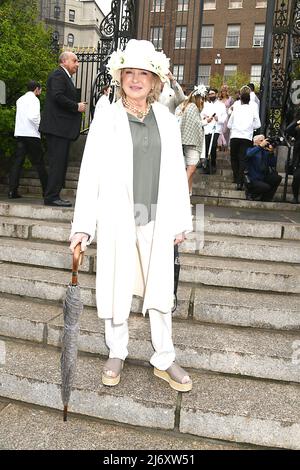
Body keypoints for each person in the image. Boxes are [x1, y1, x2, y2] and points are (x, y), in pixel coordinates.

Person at [69, 40, 193, 392]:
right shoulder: (106, 117)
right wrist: (82, 226)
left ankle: (164, 356)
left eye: (144, 73)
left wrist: (182, 219)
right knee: (116, 282)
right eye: (130, 73)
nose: (136, 79)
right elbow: (90, 172)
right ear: (120, 77)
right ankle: (117, 350)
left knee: (160, 287)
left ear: (155, 82)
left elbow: (175, 172)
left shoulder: (167, 121)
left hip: (156, 214)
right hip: (116, 216)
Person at [39, 52, 86, 207]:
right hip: (57, 129)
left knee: (60, 163)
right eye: (75, 60)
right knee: (57, 163)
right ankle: (52, 196)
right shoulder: (58, 75)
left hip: (61, 129)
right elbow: (57, 96)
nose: (77, 64)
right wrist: (76, 106)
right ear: (64, 61)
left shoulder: (63, 76)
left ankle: (54, 194)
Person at [8, 80, 48, 199]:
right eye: (40, 89)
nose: (40, 91)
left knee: (18, 162)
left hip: (20, 134)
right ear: (36, 89)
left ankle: (12, 191)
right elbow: (33, 117)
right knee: (40, 162)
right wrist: (40, 128)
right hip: (32, 135)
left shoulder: (20, 100)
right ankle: (46, 191)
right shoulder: (34, 100)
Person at [227, 88, 261, 190]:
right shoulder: (252, 109)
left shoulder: (236, 109)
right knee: (243, 159)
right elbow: (258, 124)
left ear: (240, 99)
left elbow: (229, 125)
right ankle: (240, 182)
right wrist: (250, 127)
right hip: (246, 137)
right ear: (249, 100)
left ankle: (236, 177)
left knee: (234, 157)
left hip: (235, 136)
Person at [180, 84, 206, 195]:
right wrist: (204, 122)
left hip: (189, 141)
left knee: (190, 169)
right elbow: (194, 124)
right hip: (192, 142)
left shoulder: (189, 107)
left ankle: (188, 193)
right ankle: (180, 192)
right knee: (191, 168)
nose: (202, 101)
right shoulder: (192, 107)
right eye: (202, 99)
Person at [244, 134, 282, 201]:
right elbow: (248, 155)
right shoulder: (250, 149)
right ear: (255, 142)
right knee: (265, 187)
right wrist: (260, 146)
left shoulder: (265, 152)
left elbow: (273, 164)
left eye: (264, 140)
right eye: (261, 140)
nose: (264, 142)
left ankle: (266, 198)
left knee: (277, 178)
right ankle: (250, 193)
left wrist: (271, 152)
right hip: (252, 179)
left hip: (263, 177)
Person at [201, 88, 227, 173]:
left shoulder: (221, 105)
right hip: (207, 128)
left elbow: (224, 117)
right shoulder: (206, 104)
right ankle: (206, 166)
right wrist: (205, 117)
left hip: (216, 128)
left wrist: (218, 118)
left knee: (213, 146)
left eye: (212, 94)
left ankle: (213, 164)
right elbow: (202, 115)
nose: (211, 95)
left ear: (216, 94)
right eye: (209, 94)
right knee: (206, 146)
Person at [285, 109, 300, 204]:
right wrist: (297, 122)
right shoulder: (298, 125)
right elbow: (288, 130)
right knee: (297, 177)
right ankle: (295, 197)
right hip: (298, 156)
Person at [217, 84, 234, 151]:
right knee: (220, 130)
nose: (223, 92)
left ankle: (225, 145)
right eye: (222, 91)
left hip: (227, 116)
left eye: (225, 91)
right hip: (220, 116)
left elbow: (233, 107)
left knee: (226, 131)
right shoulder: (219, 99)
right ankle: (219, 145)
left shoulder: (230, 99)